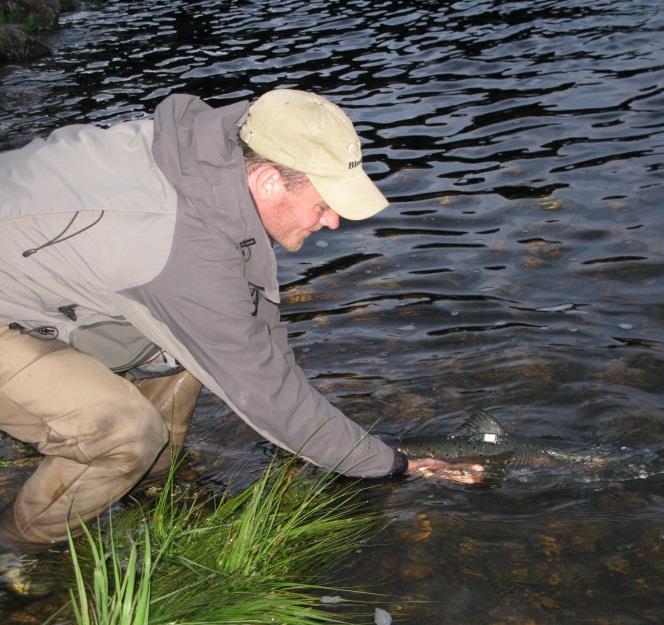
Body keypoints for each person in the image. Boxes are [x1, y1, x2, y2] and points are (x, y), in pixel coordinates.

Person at [0, 88, 484, 555]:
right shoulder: (183, 247)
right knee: (123, 432)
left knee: (182, 351)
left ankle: (150, 485)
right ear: (271, 181)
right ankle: (24, 546)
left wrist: (322, 429)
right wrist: (392, 465)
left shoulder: (210, 165)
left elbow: (256, 333)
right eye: (324, 203)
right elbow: (262, 390)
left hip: (34, 278)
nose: (334, 221)